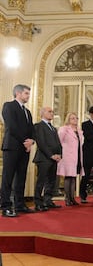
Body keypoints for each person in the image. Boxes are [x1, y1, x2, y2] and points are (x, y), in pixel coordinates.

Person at [1, 84, 35, 217]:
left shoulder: (28, 112)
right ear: (18, 93)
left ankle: (20, 204)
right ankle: (5, 206)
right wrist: (25, 141)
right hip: (12, 147)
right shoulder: (8, 106)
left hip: (24, 149)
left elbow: (31, 129)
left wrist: (31, 140)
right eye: (26, 93)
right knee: (8, 178)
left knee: (21, 177)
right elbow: (11, 126)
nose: (28, 96)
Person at [33, 107, 63, 211]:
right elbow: (41, 143)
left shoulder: (53, 128)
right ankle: (38, 203)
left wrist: (59, 154)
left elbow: (58, 143)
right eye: (49, 112)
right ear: (42, 113)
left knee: (51, 181)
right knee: (41, 181)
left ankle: (48, 200)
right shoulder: (38, 126)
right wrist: (51, 155)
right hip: (43, 158)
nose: (52, 113)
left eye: (52, 112)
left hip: (54, 159)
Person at [57, 112, 84, 206]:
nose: (75, 120)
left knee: (73, 177)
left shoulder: (79, 131)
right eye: (72, 118)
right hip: (67, 156)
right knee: (68, 177)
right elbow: (59, 142)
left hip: (77, 156)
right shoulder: (64, 129)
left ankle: (72, 198)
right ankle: (67, 198)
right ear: (68, 119)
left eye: (76, 118)